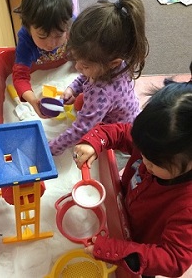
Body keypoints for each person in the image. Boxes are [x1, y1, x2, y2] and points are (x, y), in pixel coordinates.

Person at [72, 79, 192, 278]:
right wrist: (93, 142)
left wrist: (115, 249)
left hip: (139, 253)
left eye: (154, 163)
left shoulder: (187, 207)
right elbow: (117, 132)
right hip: (123, 210)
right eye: (142, 152)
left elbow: (174, 260)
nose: (144, 160)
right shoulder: (153, 143)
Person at [49, 0, 149, 156]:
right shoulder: (111, 63)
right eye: (76, 59)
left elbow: (80, 131)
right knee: (80, 102)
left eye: (85, 65)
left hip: (118, 134)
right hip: (124, 111)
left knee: (83, 110)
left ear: (113, 63)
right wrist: (73, 88)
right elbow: (86, 76)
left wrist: (51, 148)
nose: (77, 66)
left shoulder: (101, 93)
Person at [12, 0, 74, 117]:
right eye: (42, 36)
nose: (51, 44)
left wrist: (78, 89)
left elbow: (91, 55)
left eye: (59, 35)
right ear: (29, 28)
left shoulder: (73, 26)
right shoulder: (26, 39)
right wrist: (34, 101)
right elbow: (20, 78)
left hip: (70, 65)